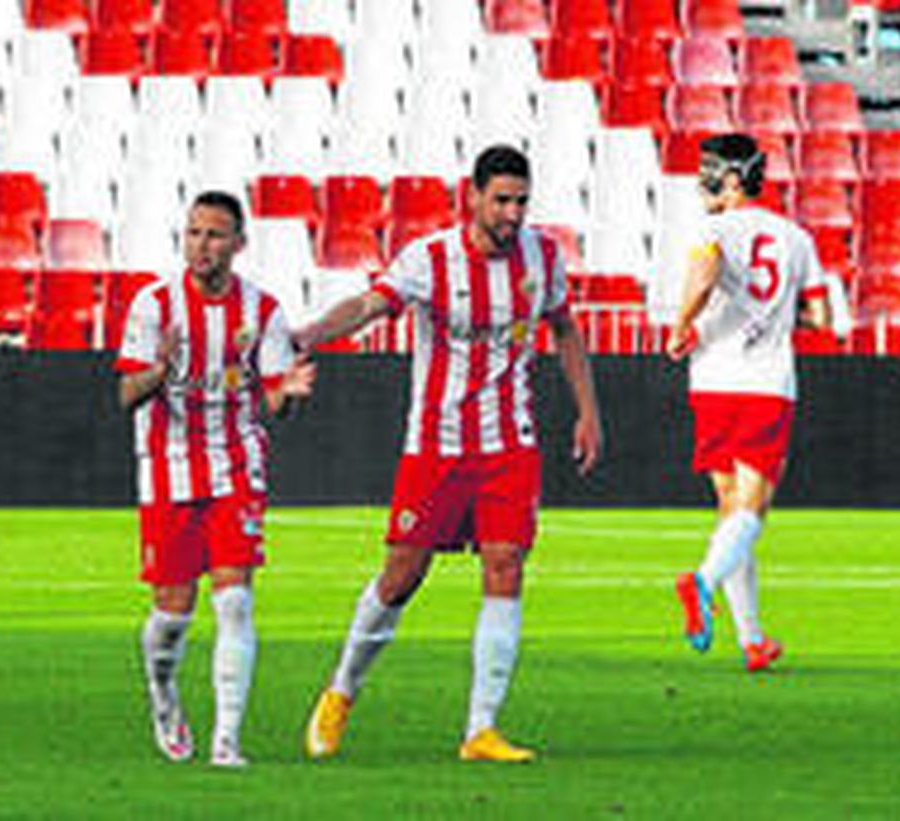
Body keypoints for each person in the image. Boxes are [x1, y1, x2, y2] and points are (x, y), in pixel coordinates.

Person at [294, 145, 603, 764]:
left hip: (510, 445)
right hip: (436, 445)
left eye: (521, 200)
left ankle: (480, 729)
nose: (513, 213)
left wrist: (588, 411)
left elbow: (564, 327)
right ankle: (341, 690)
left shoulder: (542, 255)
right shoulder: (429, 259)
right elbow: (366, 306)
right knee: (402, 577)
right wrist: (306, 335)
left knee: (506, 568)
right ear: (474, 196)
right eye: (502, 200)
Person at [116, 190, 316, 768]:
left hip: (235, 463)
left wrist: (289, 394)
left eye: (215, 235)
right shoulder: (154, 305)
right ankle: (163, 692)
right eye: (195, 233)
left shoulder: (264, 311)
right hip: (168, 466)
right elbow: (125, 394)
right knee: (172, 614)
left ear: (238, 243)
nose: (203, 246)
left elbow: (276, 398)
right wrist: (162, 366)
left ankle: (228, 739)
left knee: (235, 602)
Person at [665, 134, 833, 672]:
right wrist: (781, 319)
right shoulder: (795, 237)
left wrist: (684, 322)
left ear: (734, 178)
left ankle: (752, 638)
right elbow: (823, 317)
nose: (704, 181)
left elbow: (706, 273)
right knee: (752, 510)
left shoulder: (711, 230)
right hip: (765, 383)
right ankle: (702, 582)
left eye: (711, 171)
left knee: (730, 509)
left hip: (712, 379)